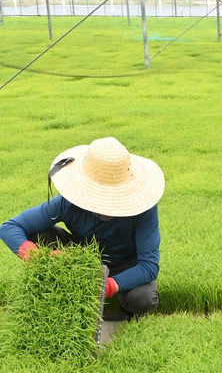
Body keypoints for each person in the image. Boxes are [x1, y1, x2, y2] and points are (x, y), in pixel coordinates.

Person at [0, 136, 165, 320]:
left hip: (124, 264)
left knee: (142, 299)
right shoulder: (68, 203)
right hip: (80, 257)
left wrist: (108, 285)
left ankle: (125, 310)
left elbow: (148, 266)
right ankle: (60, 293)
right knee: (37, 234)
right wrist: (37, 256)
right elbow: (9, 227)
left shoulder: (143, 207)